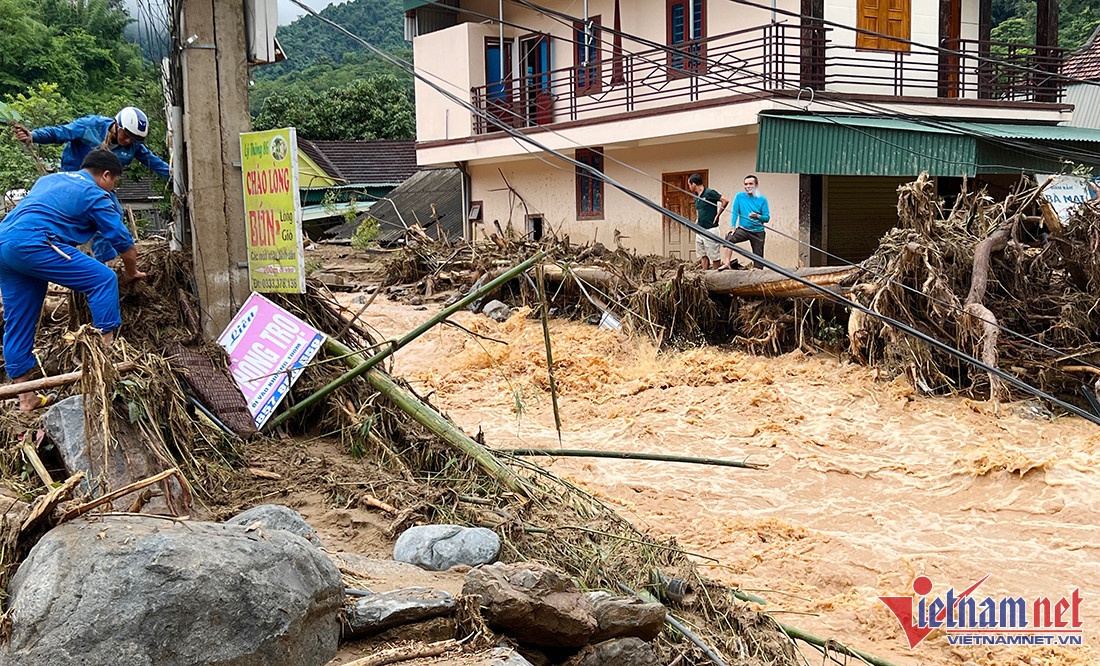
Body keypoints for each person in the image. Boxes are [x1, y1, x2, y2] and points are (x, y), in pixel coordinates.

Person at [0, 150, 146, 411]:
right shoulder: (94, 193)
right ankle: (106, 359)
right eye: (114, 182)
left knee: (19, 321)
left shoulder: (49, 180)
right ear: (106, 175)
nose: (112, 188)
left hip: (4, 245)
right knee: (103, 279)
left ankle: (26, 398)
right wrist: (131, 272)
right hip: (34, 243)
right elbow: (125, 244)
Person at [13, 107, 170, 261]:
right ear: (117, 125)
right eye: (127, 135)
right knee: (71, 218)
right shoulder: (89, 126)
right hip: (73, 182)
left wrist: (174, 175)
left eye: (134, 139)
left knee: (112, 216)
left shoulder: (133, 146)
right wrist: (33, 136)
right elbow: (60, 132)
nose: (128, 141)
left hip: (100, 186)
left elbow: (155, 163)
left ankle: (105, 262)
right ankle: (57, 254)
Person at [720, 174, 769, 270]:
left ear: (756, 185)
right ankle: (727, 263)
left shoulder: (762, 199)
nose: (748, 186)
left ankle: (757, 273)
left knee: (759, 261)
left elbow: (767, 218)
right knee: (729, 237)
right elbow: (735, 212)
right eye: (746, 184)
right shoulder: (739, 196)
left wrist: (757, 216)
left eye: (750, 184)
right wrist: (733, 226)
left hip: (758, 232)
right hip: (743, 229)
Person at [686, 173, 728, 270]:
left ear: (694, 184)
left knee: (714, 256)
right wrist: (697, 221)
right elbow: (700, 211)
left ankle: (717, 275)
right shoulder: (696, 196)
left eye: (689, 185)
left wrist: (718, 215)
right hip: (700, 230)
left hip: (711, 229)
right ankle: (705, 275)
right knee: (703, 255)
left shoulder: (709, 193)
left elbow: (725, 201)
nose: (689, 187)